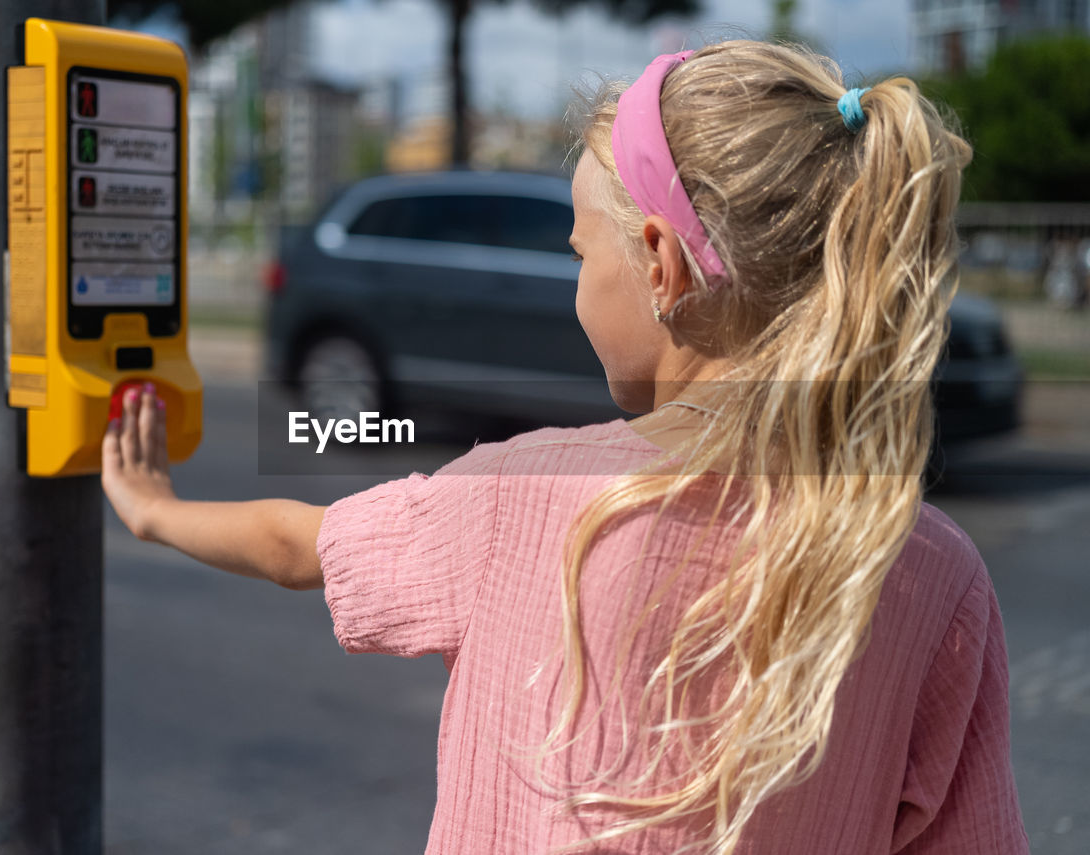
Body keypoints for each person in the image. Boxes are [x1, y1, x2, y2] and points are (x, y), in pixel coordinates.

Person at [102, 40, 1028, 855]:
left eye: (584, 254)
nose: (575, 285)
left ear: (661, 266)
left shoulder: (525, 493)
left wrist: (156, 509)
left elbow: (297, 545)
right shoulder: (934, 574)